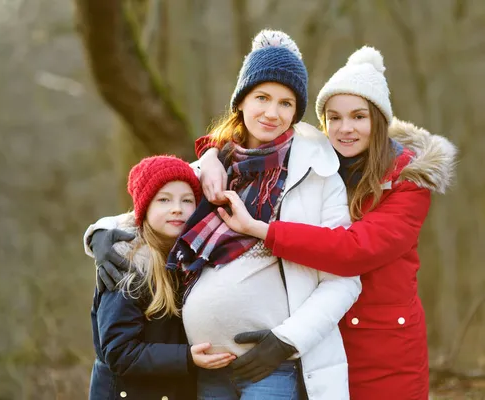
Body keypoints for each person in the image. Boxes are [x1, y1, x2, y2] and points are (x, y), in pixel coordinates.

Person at [86, 30, 362, 400]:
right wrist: (101, 236)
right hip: (208, 371)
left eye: (285, 103)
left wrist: (285, 341)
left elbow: (344, 279)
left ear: (297, 111)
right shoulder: (213, 167)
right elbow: (152, 207)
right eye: (261, 97)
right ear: (241, 102)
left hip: (272, 364)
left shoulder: (318, 176)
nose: (271, 112)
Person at [198, 46, 458, 400]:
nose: (345, 128)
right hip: (319, 343)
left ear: (378, 120)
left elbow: (354, 249)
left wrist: (261, 230)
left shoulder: (407, 182)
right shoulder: (316, 163)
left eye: (358, 117)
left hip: (385, 349)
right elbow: (250, 142)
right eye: (334, 118)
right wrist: (211, 154)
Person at [85, 155, 236, 400]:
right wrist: (187, 357)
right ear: (144, 208)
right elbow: (119, 352)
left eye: (187, 200)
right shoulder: (128, 264)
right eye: (164, 200)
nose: (177, 208)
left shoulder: (191, 260)